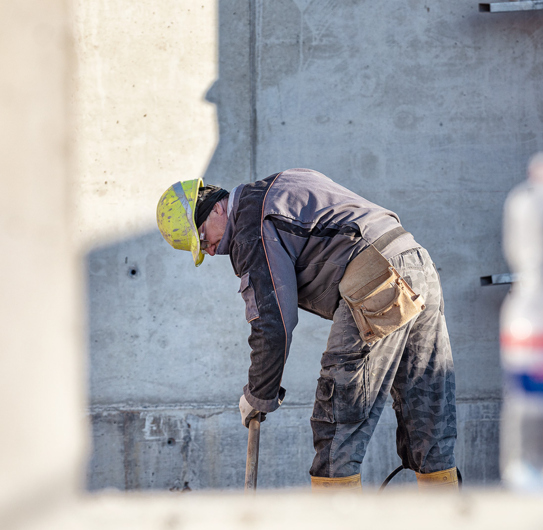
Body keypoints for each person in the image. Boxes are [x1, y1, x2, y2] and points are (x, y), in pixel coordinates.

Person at [155, 168, 457, 491]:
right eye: (201, 250)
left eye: (202, 238)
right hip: (417, 264)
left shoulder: (249, 225)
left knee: (337, 422)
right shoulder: (278, 187)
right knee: (429, 418)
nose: (210, 250)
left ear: (216, 206)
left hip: (377, 279)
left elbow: (273, 322)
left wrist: (258, 395)